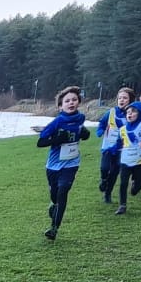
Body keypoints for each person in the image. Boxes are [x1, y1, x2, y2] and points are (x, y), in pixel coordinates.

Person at [35, 85, 94, 240]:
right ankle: (53, 204)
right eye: (67, 101)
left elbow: (82, 132)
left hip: (71, 163)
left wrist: (85, 134)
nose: (71, 103)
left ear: (78, 102)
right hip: (53, 165)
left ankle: (54, 228)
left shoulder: (80, 118)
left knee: (63, 192)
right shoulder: (57, 122)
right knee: (55, 195)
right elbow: (40, 142)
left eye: (74, 99)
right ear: (60, 106)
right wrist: (56, 139)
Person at [97, 86, 132, 204]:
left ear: (130, 100)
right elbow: (102, 123)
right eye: (120, 98)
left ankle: (107, 194)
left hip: (122, 149)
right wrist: (100, 131)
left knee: (114, 172)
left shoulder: (132, 114)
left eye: (125, 98)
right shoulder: (110, 112)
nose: (122, 100)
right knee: (104, 168)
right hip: (107, 147)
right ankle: (103, 179)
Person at [113, 100, 141, 215]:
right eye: (128, 112)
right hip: (125, 161)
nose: (129, 114)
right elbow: (118, 142)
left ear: (140, 113)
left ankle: (136, 187)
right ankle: (122, 205)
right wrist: (114, 149)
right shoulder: (122, 129)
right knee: (123, 183)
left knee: (139, 182)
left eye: (133, 112)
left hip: (139, 161)